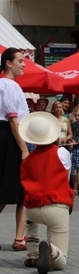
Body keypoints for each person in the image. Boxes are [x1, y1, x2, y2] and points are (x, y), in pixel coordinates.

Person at [19, 111, 73, 274]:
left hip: (32, 208)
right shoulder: (61, 153)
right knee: (61, 260)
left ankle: (32, 254)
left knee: (31, 221)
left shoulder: (26, 160)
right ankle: (51, 249)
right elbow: (66, 176)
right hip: (56, 205)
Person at [0, 48, 29, 251]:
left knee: (18, 189)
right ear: (8, 63)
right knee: (12, 187)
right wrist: (24, 148)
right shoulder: (7, 85)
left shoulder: (11, 85)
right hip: (10, 137)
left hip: (11, 135)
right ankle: (19, 237)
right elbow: (12, 119)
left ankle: (20, 236)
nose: (24, 63)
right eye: (20, 60)